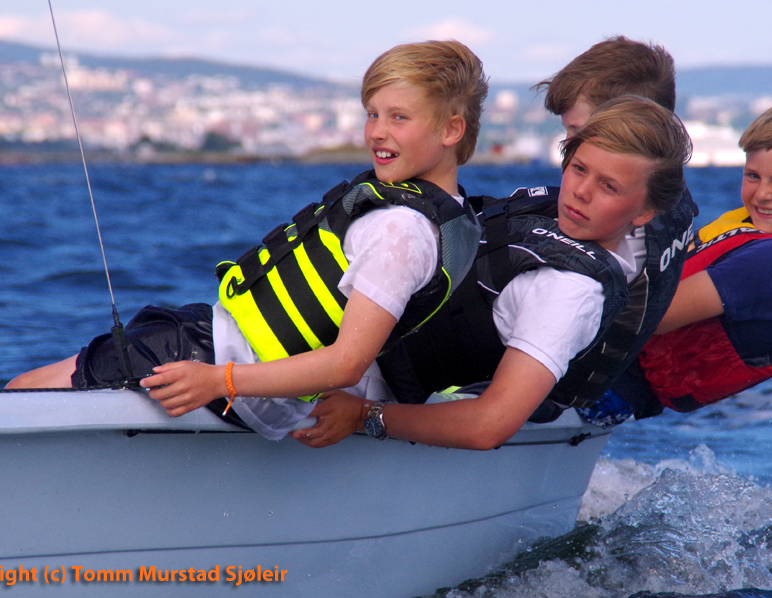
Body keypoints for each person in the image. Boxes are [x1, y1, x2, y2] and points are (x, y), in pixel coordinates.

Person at [6, 40, 488, 440]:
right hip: (219, 352)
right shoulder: (446, 220)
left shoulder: (400, 230)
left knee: (20, 392)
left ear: (452, 129)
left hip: (213, 364)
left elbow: (346, 363)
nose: (377, 133)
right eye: (372, 114)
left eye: (398, 118)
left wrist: (218, 380)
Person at [295, 95, 693, 450]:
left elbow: (489, 425)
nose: (581, 191)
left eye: (609, 187)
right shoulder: (544, 213)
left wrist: (363, 415)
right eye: (578, 168)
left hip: (359, 386)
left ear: (645, 212)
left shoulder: (569, 291)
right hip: (340, 345)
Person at [375, 36, 698, 416]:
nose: (571, 144)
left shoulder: (585, 271)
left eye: (577, 130)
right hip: (593, 389)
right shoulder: (668, 204)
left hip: (540, 391)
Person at [591, 97, 772, 425]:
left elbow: (651, 316)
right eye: (752, 176)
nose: (761, 193)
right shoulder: (752, 235)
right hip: (609, 383)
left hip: (604, 388)